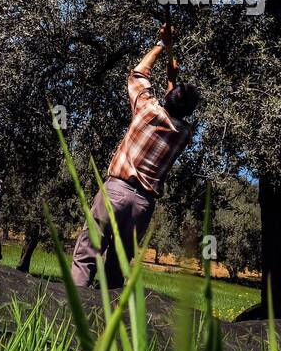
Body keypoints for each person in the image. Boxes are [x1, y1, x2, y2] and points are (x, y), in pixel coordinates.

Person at [71, 23, 198, 288]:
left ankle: (70, 316)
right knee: (118, 266)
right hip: (142, 207)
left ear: (168, 98)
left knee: (86, 255)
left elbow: (139, 72)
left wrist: (162, 45)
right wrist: (172, 80)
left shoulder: (147, 110)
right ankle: (107, 321)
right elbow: (173, 109)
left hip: (116, 192)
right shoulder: (184, 134)